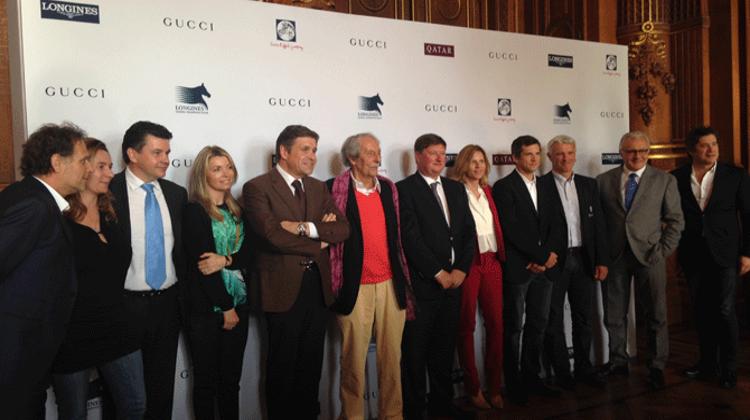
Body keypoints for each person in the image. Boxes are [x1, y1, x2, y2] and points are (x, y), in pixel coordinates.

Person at [242, 124, 349, 419]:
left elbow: (342, 228)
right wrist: (319, 242)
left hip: (317, 289)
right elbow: (271, 236)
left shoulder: (317, 187)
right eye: (305, 149)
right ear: (284, 152)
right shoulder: (257, 187)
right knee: (282, 367)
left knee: (311, 365)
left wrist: (306, 228)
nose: (312, 156)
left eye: (314, 150)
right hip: (281, 290)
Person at [0, 123, 91, 418]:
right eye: (82, 160)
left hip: (26, 354)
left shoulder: (38, 200)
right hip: (15, 357)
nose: (88, 168)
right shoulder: (33, 205)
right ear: (56, 162)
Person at [52, 139, 145, 419]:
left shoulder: (111, 215)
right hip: (71, 334)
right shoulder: (57, 218)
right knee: (74, 414)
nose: (110, 173)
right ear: (82, 168)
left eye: (110, 166)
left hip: (117, 326)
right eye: (101, 166)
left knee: (135, 406)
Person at [327, 133, 414, 420]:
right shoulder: (333, 190)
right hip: (355, 287)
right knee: (353, 361)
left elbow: (397, 237)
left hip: (390, 283)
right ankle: (352, 416)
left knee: (392, 359)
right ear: (352, 158)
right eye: (370, 153)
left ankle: (393, 415)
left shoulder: (388, 189)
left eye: (378, 152)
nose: (378, 158)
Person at [110, 121, 188, 419]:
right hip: (123, 307)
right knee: (125, 400)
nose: (165, 159)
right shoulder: (108, 192)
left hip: (167, 306)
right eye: (157, 152)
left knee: (161, 393)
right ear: (132, 153)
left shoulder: (176, 194)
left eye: (167, 152)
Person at [597, 131, 684, 389]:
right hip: (614, 258)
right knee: (614, 314)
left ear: (648, 152)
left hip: (650, 256)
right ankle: (618, 362)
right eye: (631, 151)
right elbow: (598, 224)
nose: (637, 156)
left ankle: (656, 365)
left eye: (642, 151)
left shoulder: (664, 180)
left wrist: (661, 251)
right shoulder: (603, 181)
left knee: (656, 314)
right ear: (621, 152)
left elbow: (676, 221)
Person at [397, 133, 476, 419]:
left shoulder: (456, 189)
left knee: (444, 352)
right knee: (415, 355)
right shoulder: (403, 190)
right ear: (418, 156)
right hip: (422, 286)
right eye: (433, 153)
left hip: (454, 284)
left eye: (443, 153)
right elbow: (409, 238)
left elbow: (468, 233)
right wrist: (437, 272)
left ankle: (443, 407)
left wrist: (461, 270)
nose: (440, 158)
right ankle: (416, 410)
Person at [671, 126, 750, 389]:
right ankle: (707, 364)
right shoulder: (676, 177)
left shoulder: (735, 175)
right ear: (692, 149)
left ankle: (728, 369)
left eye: (714, 144)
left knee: (725, 309)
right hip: (693, 253)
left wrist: (747, 253)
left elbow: (747, 215)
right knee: (702, 311)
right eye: (705, 145)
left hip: (726, 253)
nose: (712, 149)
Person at [492, 135, 564, 405]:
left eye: (537, 154)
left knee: (538, 324)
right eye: (528, 155)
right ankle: (514, 384)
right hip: (520, 269)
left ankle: (533, 377)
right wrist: (539, 256)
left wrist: (549, 257)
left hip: (544, 269)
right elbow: (511, 230)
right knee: (513, 328)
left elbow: (557, 224)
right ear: (515, 158)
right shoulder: (503, 187)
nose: (534, 159)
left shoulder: (546, 185)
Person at [184, 146, 254, 419]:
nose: (225, 174)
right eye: (216, 168)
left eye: (228, 167)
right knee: (205, 384)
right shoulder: (194, 211)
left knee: (230, 383)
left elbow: (250, 253)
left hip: (241, 303)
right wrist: (225, 307)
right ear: (203, 174)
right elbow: (203, 264)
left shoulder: (238, 209)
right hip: (207, 310)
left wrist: (225, 260)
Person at [540, 135, 609, 390]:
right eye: (559, 154)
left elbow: (599, 225)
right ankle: (562, 372)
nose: (565, 158)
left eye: (569, 153)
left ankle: (584, 368)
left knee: (583, 317)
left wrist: (601, 260)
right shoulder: (540, 186)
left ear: (575, 154)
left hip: (584, 259)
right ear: (549, 157)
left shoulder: (589, 185)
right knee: (553, 318)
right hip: (555, 261)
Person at [451, 144, 506, 410]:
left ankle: (495, 387)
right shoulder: (454, 191)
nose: (478, 166)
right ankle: (473, 388)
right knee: (466, 326)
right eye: (472, 161)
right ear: (463, 164)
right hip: (468, 263)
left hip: (492, 261)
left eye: (482, 161)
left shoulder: (489, 191)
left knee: (496, 324)